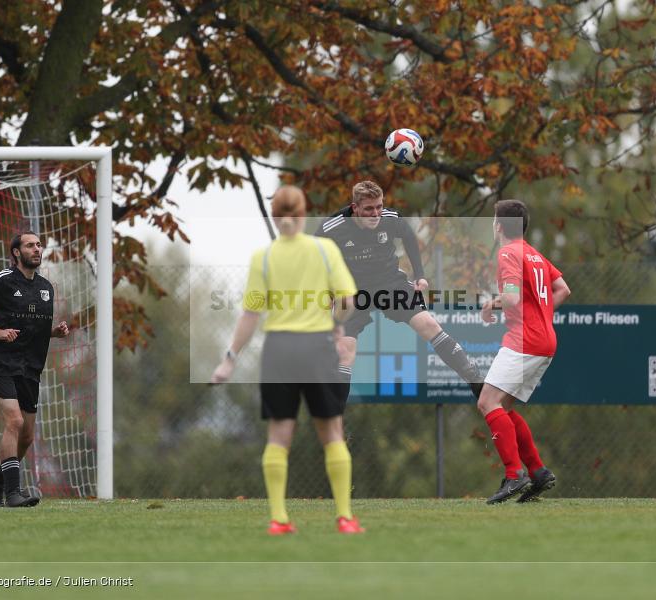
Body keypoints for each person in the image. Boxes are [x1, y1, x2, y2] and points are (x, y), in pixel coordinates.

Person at [211, 185, 364, 535]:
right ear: (303, 211)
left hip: (278, 349)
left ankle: (279, 519)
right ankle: (345, 518)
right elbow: (348, 300)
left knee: (279, 435)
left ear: (276, 216)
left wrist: (229, 358)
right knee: (332, 432)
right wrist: (337, 324)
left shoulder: (262, 258)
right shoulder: (325, 250)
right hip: (316, 347)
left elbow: (250, 314)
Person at [316, 180, 483, 403]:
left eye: (379, 207)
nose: (375, 214)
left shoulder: (390, 219)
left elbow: (410, 239)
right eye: (368, 209)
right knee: (345, 352)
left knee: (429, 325)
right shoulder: (332, 227)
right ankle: (334, 419)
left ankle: (476, 382)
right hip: (352, 291)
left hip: (390, 282)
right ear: (355, 207)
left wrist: (420, 275)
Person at [0, 232, 70, 508]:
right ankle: (13, 493)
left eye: (39, 245)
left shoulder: (46, 288)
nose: (37, 249)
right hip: (1, 363)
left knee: (28, 436)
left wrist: (54, 333)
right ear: (17, 253)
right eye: (30, 245)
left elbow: (36, 329)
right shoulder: (2, 280)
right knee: (15, 422)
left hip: (31, 367)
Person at [478, 200, 571, 504]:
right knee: (504, 408)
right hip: (546, 341)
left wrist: (492, 304)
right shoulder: (534, 254)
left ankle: (513, 473)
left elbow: (512, 298)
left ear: (499, 226)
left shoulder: (508, 252)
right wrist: (542, 314)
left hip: (524, 340)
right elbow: (563, 289)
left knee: (487, 402)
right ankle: (539, 472)